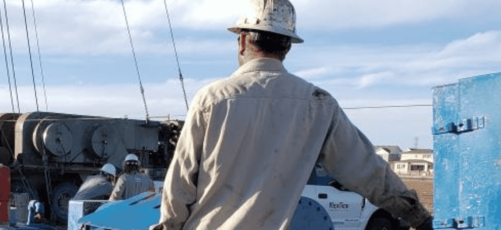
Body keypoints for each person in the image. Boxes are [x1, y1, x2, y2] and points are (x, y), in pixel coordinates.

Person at [152, 0, 433, 229]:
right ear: (287, 46)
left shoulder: (210, 99)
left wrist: (170, 225)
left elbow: (179, 187)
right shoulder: (318, 103)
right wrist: (418, 218)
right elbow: (367, 170)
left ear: (242, 40)